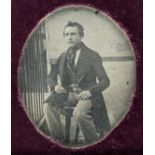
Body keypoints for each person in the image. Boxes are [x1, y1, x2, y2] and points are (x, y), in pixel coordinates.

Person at [43, 21, 111, 144]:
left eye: (73, 34)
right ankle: (59, 141)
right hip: (67, 94)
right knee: (48, 106)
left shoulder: (92, 55)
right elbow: (50, 77)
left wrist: (90, 91)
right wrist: (55, 86)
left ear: (81, 35)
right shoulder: (63, 56)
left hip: (87, 96)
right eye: (67, 34)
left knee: (79, 114)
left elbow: (105, 81)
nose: (70, 37)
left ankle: (94, 143)